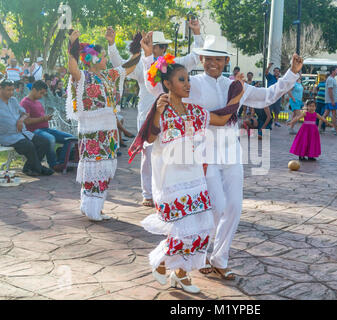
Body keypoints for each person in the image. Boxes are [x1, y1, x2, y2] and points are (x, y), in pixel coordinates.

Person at [140, 33, 303, 280]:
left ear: (226, 61)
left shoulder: (235, 87)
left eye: (218, 59)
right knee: (215, 208)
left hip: (231, 155)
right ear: (202, 58)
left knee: (235, 208)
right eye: (208, 58)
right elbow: (157, 86)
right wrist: (148, 57)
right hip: (204, 156)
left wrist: (292, 73)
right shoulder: (191, 83)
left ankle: (220, 259)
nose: (212, 63)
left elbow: (268, 96)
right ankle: (199, 256)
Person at [129, 61, 244, 294]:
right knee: (183, 229)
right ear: (167, 84)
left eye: (188, 79)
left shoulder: (194, 111)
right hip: (171, 182)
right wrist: (158, 112)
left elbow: (221, 119)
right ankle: (162, 263)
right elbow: (149, 138)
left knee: (203, 227)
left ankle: (181, 274)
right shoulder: (162, 110)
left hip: (195, 177)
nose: (188, 84)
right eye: (182, 80)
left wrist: (237, 93)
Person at [107, 22, 203, 207]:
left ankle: (169, 191)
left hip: (172, 118)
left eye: (164, 46)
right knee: (148, 157)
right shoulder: (141, 64)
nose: (163, 48)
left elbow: (195, 57)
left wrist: (197, 32)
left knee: (172, 156)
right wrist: (112, 45)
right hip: (148, 117)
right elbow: (119, 66)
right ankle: (148, 194)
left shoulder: (174, 65)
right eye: (159, 45)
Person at [67, 30, 138, 221]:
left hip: (108, 131)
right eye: (104, 56)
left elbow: (129, 67)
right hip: (91, 133)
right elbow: (72, 67)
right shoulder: (81, 77)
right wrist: (73, 45)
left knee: (104, 169)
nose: (106, 58)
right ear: (93, 59)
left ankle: (92, 206)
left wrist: (139, 46)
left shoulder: (109, 75)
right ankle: (92, 208)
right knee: (93, 169)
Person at [0, 79, 53, 176]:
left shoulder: (13, 100)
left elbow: (25, 114)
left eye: (12, 90)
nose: (11, 93)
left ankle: (29, 168)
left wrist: (21, 120)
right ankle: (39, 168)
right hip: (6, 137)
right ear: (0, 88)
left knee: (44, 142)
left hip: (22, 133)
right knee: (29, 145)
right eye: (8, 90)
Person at [20, 80, 74, 171]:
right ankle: (53, 164)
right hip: (33, 131)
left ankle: (62, 163)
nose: (41, 96)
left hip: (45, 129)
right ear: (33, 89)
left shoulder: (37, 102)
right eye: (41, 93)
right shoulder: (25, 102)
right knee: (50, 139)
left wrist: (46, 118)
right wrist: (43, 119)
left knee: (70, 139)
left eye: (43, 94)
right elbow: (26, 121)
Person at [320, 67, 337, 135]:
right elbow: (330, 90)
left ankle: (318, 127)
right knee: (334, 115)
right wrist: (332, 100)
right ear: (333, 71)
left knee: (325, 114)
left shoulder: (332, 79)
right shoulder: (330, 79)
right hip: (331, 100)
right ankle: (336, 129)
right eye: (336, 70)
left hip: (330, 100)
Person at [265, 62, 283, 127]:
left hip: (277, 97)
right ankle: (269, 121)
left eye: (277, 71)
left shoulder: (281, 79)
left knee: (277, 110)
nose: (276, 72)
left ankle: (276, 122)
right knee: (269, 110)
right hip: (270, 96)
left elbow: (282, 88)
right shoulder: (270, 77)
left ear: (279, 72)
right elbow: (266, 72)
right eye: (275, 71)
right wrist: (269, 66)